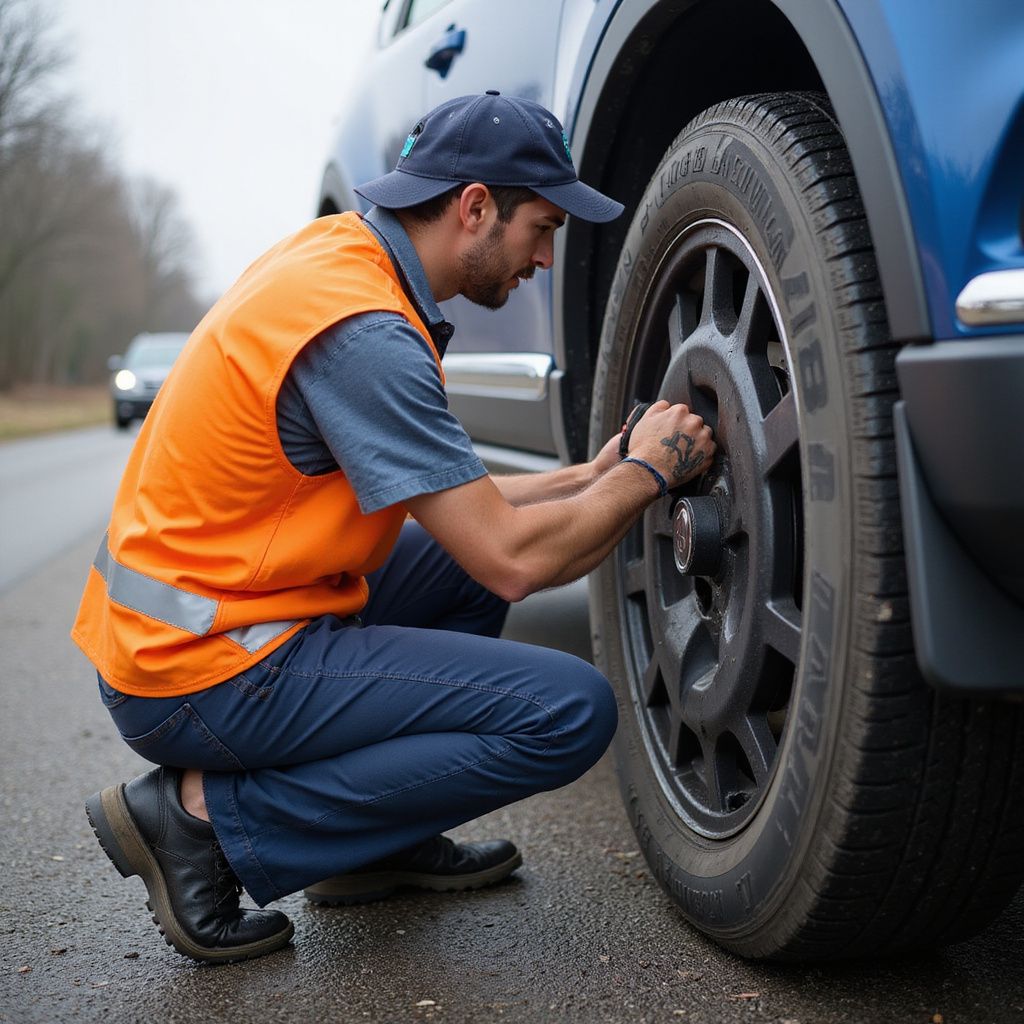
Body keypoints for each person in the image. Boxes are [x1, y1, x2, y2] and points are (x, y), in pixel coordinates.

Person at [73, 91, 716, 964]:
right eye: (543, 225)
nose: (547, 257)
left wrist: (592, 475)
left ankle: (368, 843)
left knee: (451, 570)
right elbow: (514, 562)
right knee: (568, 712)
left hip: (209, 618)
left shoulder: (340, 259)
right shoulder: (364, 333)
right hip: (199, 669)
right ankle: (201, 824)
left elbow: (465, 506)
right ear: (475, 207)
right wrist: (650, 476)